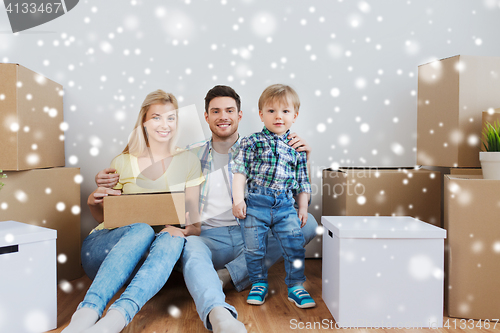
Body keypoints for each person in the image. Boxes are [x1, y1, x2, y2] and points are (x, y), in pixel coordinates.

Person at [95, 85, 318, 333]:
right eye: (216, 111)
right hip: (209, 236)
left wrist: (303, 157)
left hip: (252, 232)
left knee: (307, 225)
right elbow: (153, 175)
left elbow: (292, 190)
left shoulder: (262, 149)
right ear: (206, 117)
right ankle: (218, 313)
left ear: (240, 116)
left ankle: (227, 277)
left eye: (229, 110)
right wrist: (106, 180)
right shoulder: (190, 155)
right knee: (190, 248)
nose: (223, 116)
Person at [62, 90, 204, 333]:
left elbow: (195, 223)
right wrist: (93, 202)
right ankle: (85, 315)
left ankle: (115, 320)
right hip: (105, 253)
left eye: (171, 118)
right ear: (144, 121)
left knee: (172, 239)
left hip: (151, 264)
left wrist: (185, 230)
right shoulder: (122, 161)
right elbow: (106, 220)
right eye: (156, 117)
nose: (164, 125)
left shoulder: (189, 161)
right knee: (140, 229)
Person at [232, 84, 315, 309]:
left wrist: (303, 207)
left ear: (294, 115)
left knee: (294, 244)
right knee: (253, 247)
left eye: (285, 111)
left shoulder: (296, 147)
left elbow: (302, 181)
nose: (278, 116)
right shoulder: (252, 142)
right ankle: (258, 283)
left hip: (285, 205)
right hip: (256, 203)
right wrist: (238, 199)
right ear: (261, 114)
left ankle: (296, 285)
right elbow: (239, 172)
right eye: (271, 111)